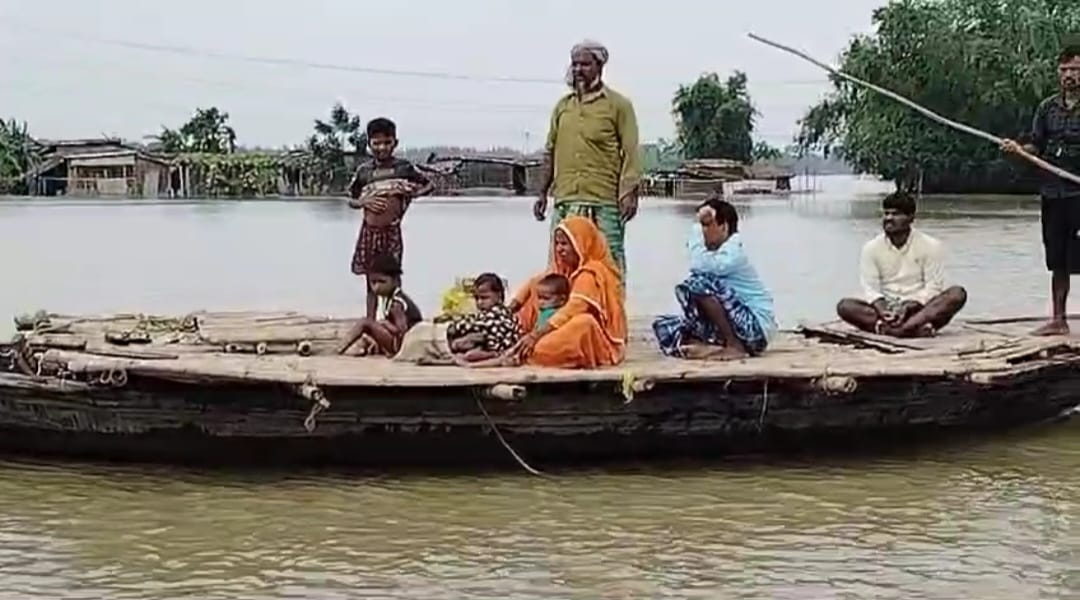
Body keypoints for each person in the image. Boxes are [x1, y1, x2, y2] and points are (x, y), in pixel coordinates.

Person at [533, 40, 641, 288]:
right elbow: (550, 151)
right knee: (562, 265)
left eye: (585, 64)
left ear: (599, 66)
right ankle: (568, 320)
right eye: (575, 64)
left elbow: (631, 153)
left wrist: (628, 193)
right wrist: (542, 193)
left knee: (608, 265)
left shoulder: (618, 106)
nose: (579, 69)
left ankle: (611, 321)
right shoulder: (563, 107)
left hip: (604, 202)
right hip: (566, 200)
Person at [1001, 39, 1080, 335]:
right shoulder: (1047, 108)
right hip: (1053, 193)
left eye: (1075, 69)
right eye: (1064, 69)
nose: (1069, 75)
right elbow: (1037, 144)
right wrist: (1019, 149)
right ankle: (1059, 319)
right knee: (1057, 257)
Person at [652, 197, 777, 360]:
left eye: (707, 224)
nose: (703, 231)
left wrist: (697, 228)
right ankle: (712, 345)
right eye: (702, 225)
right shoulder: (714, 254)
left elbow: (699, 266)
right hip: (739, 326)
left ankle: (735, 346)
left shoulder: (734, 252)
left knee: (698, 283)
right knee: (664, 327)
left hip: (756, 329)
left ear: (723, 226)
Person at [836, 192, 968, 338]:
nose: (889, 219)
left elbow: (934, 286)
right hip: (887, 309)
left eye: (896, 214)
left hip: (920, 309)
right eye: (886, 214)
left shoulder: (931, 245)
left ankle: (898, 329)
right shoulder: (871, 248)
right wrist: (884, 310)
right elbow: (870, 288)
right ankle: (909, 330)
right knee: (845, 306)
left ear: (911, 218)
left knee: (957, 294)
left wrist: (909, 305)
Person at [506, 216, 626, 368]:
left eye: (564, 244)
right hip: (553, 328)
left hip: (598, 340)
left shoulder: (591, 273)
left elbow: (573, 309)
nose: (559, 249)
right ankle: (511, 334)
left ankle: (530, 352)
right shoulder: (566, 269)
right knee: (541, 287)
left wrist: (535, 335)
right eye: (557, 243)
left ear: (582, 244)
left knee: (584, 323)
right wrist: (508, 310)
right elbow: (534, 282)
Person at [348, 117, 434, 320]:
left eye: (387, 142)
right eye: (376, 143)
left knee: (393, 279)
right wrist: (363, 202)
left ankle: (395, 321)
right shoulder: (364, 172)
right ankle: (370, 322)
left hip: (392, 231)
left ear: (395, 142)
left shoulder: (403, 168)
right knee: (372, 281)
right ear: (369, 144)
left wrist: (414, 194)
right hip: (369, 232)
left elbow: (429, 184)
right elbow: (350, 199)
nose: (382, 147)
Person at [336, 253, 423, 356]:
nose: (376, 287)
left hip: (403, 345)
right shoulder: (390, 298)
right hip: (404, 343)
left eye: (381, 282)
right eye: (373, 282)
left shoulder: (397, 303)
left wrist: (386, 325)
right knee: (370, 334)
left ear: (396, 281)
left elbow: (402, 331)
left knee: (365, 323)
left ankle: (339, 349)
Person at [446, 273, 521, 364]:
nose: (480, 302)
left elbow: (475, 325)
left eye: (484, 298)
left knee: (469, 352)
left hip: (500, 347)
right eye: (476, 298)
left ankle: (493, 355)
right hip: (488, 345)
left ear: (499, 296)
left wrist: (456, 329)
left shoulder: (498, 312)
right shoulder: (485, 314)